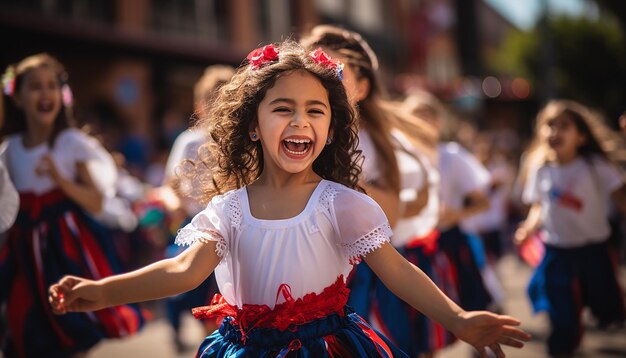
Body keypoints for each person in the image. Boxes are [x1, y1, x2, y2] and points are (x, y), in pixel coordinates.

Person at [49, 40, 530, 358]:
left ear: (330, 128)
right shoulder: (228, 209)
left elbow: (398, 271)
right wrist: (103, 290)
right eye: (284, 109)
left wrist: (459, 318)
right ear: (253, 127)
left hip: (326, 347)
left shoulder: (342, 204)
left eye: (315, 111)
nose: (300, 121)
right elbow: (182, 271)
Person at [0, 53, 144, 358]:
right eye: (35, 86)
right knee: (23, 327)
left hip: (67, 251)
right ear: (17, 97)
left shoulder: (70, 143)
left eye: (51, 86)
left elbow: (95, 201)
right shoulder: (8, 151)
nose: (45, 94)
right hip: (23, 253)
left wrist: (60, 180)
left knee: (71, 329)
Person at [515, 99, 626, 358]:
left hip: (594, 252)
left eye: (564, 126)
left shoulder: (596, 167)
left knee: (608, 312)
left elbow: (622, 201)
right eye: (549, 125)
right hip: (557, 253)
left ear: (582, 136)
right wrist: (529, 229)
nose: (554, 132)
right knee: (562, 323)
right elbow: (539, 207)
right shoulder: (540, 170)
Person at [161, 64, 235, 352]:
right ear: (199, 106)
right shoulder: (189, 140)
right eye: (211, 100)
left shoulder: (239, 141)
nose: (218, 108)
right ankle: (175, 322)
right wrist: (176, 203)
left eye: (224, 99)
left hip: (228, 224)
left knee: (219, 292)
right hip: (194, 221)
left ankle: (213, 337)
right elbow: (172, 182)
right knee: (184, 281)